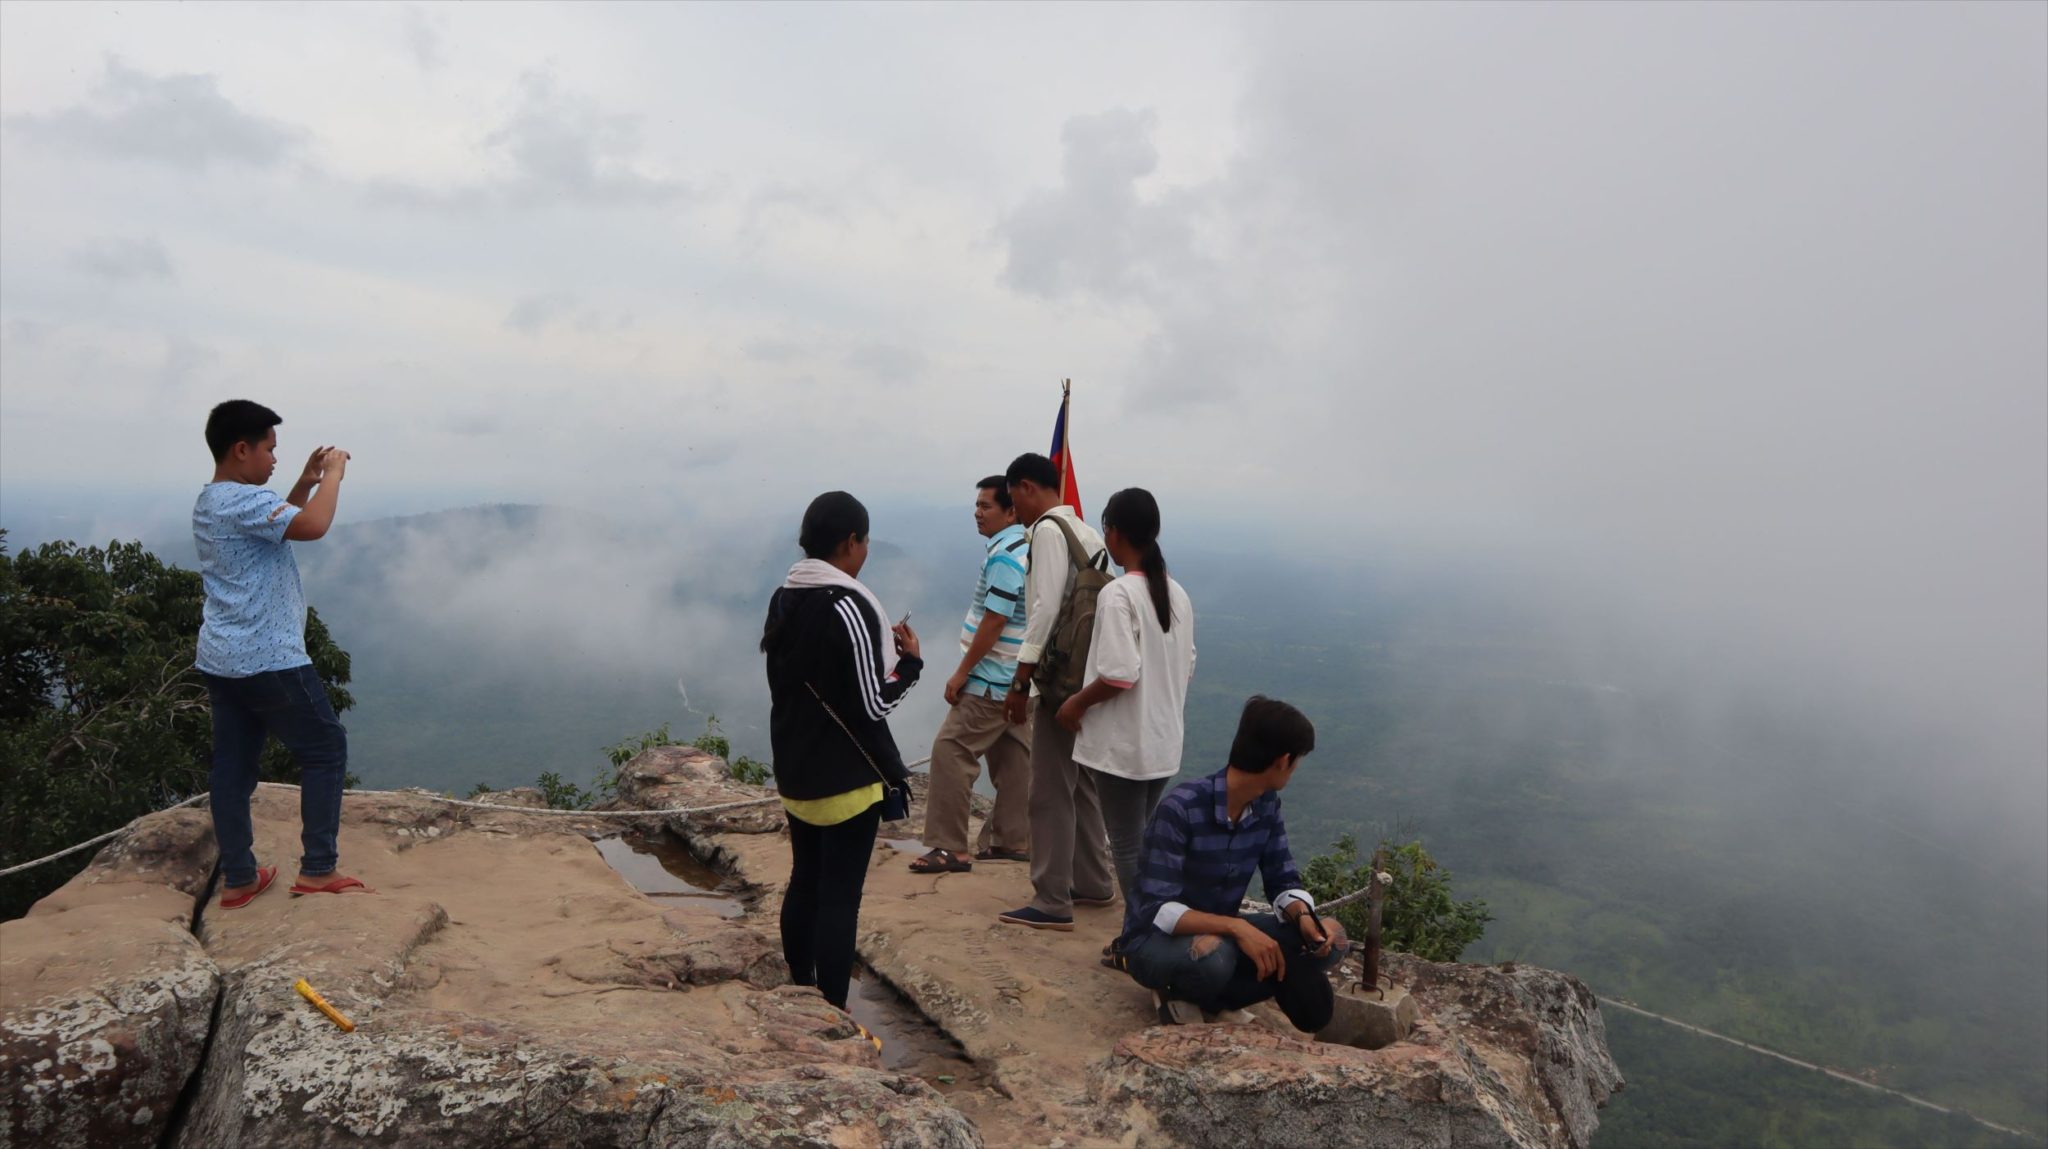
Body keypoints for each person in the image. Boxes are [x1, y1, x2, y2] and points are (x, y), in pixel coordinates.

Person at [193, 399, 367, 909]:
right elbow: (312, 527)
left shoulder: (213, 499)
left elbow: (279, 525)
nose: (274, 459)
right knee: (325, 748)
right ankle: (318, 869)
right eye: (269, 449)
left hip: (223, 658)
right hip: (268, 657)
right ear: (240, 449)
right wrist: (334, 475)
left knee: (233, 767)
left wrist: (305, 483)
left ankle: (240, 878)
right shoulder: (243, 501)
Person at [760, 491, 922, 1009]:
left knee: (804, 880)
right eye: (865, 541)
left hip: (795, 769)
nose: (866, 551)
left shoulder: (784, 596)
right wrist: (910, 666)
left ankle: (800, 985)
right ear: (851, 542)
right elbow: (873, 703)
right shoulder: (849, 605)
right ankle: (832, 1010)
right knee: (839, 898)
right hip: (845, 781)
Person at [1112, 696, 1347, 1030]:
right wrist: (1238, 928)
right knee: (1216, 957)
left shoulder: (1266, 805)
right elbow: (1158, 910)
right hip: (1153, 941)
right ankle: (1174, 991)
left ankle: (1214, 1001)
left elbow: (1282, 877)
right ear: (1283, 761)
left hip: (1220, 931)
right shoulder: (1181, 809)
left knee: (1330, 942)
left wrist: (1303, 917)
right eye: (1297, 761)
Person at [1055, 488, 1194, 912]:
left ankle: (1144, 932)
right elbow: (1186, 664)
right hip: (1162, 741)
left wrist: (1076, 703)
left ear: (1113, 533)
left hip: (1124, 745)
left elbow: (1119, 675)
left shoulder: (1118, 594)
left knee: (1128, 846)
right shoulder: (1176, 593)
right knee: (1144, 841)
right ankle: (1156, 923)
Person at [997, 452, 1117, 931]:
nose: (1014, 511)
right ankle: (1093, 882)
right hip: (1087, 677)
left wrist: (1020, 681)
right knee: (1081, 783)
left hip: (1058, 680)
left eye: (1014, 499)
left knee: (1048, 788)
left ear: (1027, 487)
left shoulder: (1048, 530)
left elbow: (1045, 609)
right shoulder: (1085, 533)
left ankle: (1051, 900)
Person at [910, 477, 1033, 874]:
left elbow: (995, 618)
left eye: (986, 506)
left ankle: (950, 848)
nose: (977, 513)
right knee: (1015, 758)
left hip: (992, 677)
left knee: (951, 751)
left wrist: (962, 672)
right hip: (1019, 677)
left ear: (1011, 511)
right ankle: (1011, 840)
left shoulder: (1005, 556)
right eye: (977, 505)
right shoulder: (1028, 546)